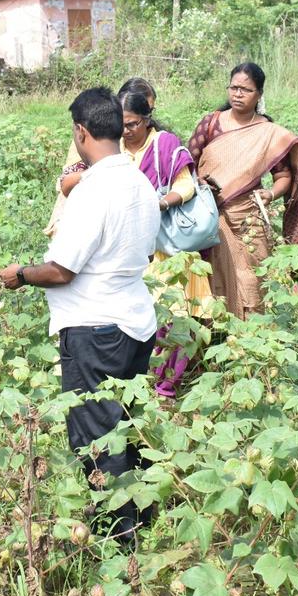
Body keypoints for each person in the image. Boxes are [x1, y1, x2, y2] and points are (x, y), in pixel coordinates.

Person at [0, 87, 160, 544]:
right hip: (134, 321)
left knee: (97, 434)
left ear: (81, 132)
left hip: (96, 330)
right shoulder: (140, 182)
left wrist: (21, 274)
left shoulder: (92, 190)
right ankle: (143, 523)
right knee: (127, 426)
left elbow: (62, 270)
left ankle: (115, 540)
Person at [186, 62, 298, 320]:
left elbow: (284, 176)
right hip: (209, 217)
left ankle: (251, 342)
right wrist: (201, 184)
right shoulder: (211, 124)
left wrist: (271, 194)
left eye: (246, 90)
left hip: (249, 217)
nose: (238, 94)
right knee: (210, 280)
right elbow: (187, 166)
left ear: (259, 94)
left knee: (251, 281)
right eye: (234, 88)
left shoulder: (268, 132)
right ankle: (214, 346)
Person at [114, 89, 212, 399]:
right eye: (121, 124)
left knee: (172, 314)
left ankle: (167, 384)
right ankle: (139, 381)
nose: (126, 131)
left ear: (146, 119)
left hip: (167, 247)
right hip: (130, 244)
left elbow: (186, 186)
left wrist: (158, 204)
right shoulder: (112, 148)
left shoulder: (164, 143)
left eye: (132, 124)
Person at [45, 77, 157, 237]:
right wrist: (107, 173)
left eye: (150, 111)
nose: (147, 118)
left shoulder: (158, 141)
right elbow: (66, 183)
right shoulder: (94, 138)